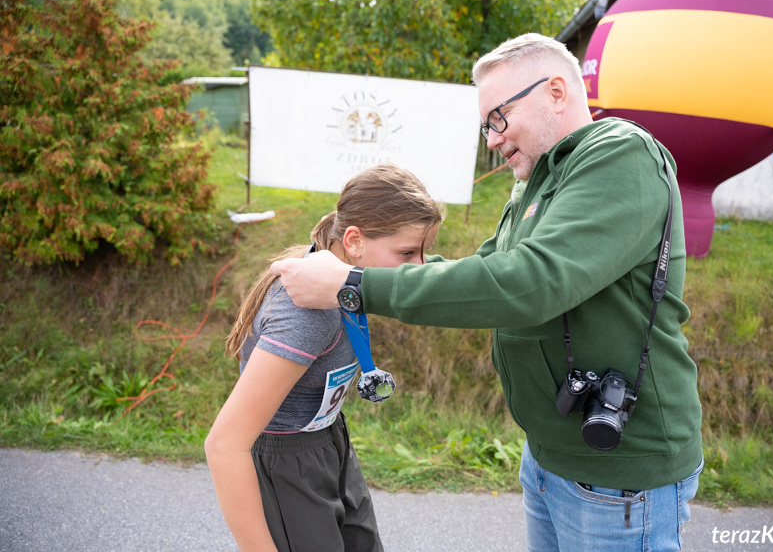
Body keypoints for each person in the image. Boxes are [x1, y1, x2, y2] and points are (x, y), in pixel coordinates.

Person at [269, 33, 703, 552]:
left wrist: (354, 285)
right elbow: (486, 271)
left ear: (557, 93)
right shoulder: (540, 181)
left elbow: (529, 284)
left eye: (499, 117)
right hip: (551, 455)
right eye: (486, 126)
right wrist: (370, 269)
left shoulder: (619, 157)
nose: (493, 139)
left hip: (618, 476)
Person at [205, 163, 444, 552]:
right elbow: (224, 445)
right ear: (353, 241)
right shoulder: (308, 312)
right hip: (287, 460)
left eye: (424, 252)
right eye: (407, 252)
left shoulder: (347, 279)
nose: (419, 268)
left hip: (330, 441)